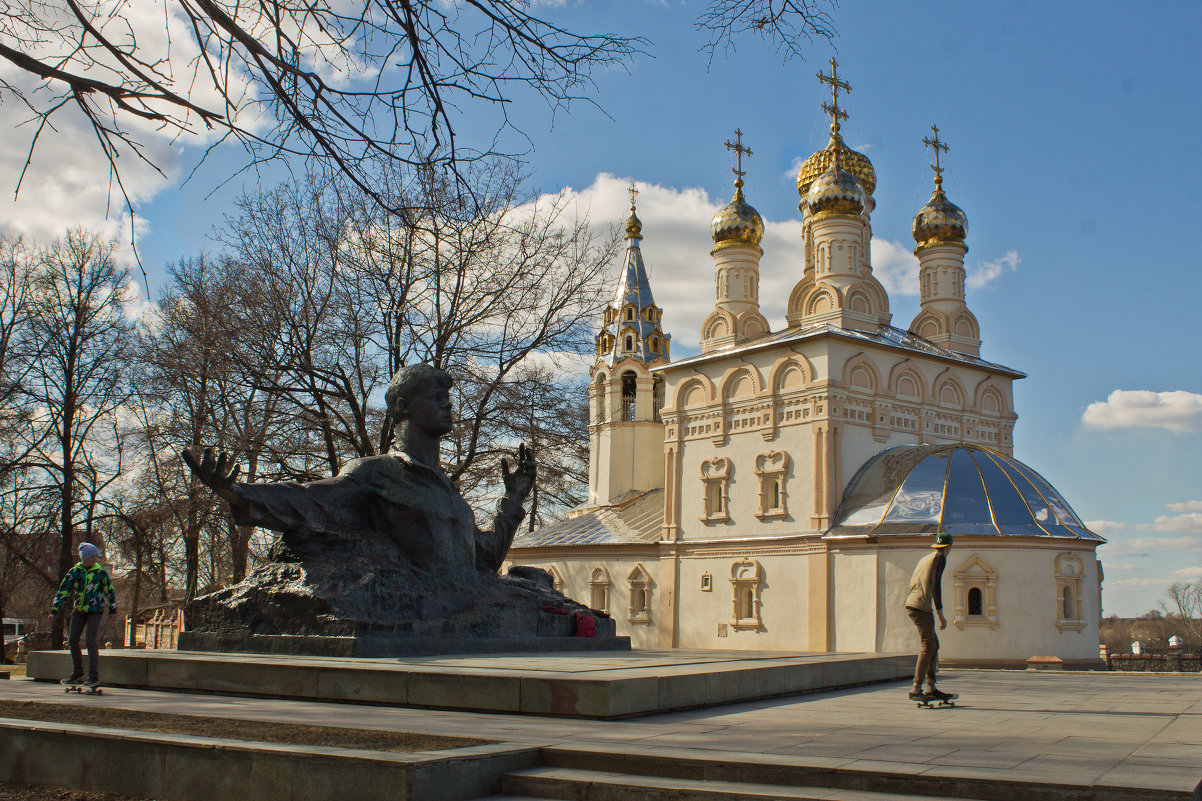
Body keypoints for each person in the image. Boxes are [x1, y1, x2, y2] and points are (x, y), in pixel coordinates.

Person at [183, 364, 536, 608]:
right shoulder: (377, 473)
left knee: (539, 586)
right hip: (424, 608)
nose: (447, 403)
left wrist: (513, 498)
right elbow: (310, 500)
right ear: (403, 406)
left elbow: (485, 558)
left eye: (448, 397)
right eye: (435, 396)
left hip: (468, 605)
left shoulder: (448, 492)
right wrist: (237, 493)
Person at [49, 542, 118, 687]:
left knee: (90, 641)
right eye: (92, 556)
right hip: (79, 611)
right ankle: (77, 672)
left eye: (95, 556)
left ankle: (93, 676)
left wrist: (113, 609)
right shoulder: (75, 572)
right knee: (72, 640)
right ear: (84, 558)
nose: (94, 559)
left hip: (95, 611)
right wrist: (54, 610)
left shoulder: (100, 573)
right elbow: (63, 591)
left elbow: (109, 591)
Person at [904, 531, 952, 701]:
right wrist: (941, 614)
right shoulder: (940, 557)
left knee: (933, 644)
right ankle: (916, 687)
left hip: (913, 603)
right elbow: (934, 584)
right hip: (921, 606)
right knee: (927, 646)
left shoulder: (926, 558)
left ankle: (931, 686)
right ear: (949, 547)